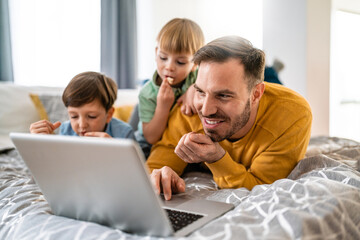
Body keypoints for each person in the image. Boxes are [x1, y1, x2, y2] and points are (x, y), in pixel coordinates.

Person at [146, 36, 312, 200]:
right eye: (201, 91)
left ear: (255, 94)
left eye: (223, 95)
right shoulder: (190, 108)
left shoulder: (293, 116)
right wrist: (162, 172)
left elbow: (260, 189)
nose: (205, 110)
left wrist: (217, 158)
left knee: (270, 73)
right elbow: (164, 152)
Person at [136, 18, 205, 158]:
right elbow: (151, 137)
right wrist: (163, 106)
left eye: (180, 62)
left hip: (180, 140)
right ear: (156, 53)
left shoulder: (198, 76)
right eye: (163, 58)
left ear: (195, 64)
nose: (169, 67)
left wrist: (193, 88)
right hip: (149, 143)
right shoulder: (147, 93)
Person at [30, 71, 135, 139]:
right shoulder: (66, 130)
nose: (82, 124)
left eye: (91, 116)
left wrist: (114, 150)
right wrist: (40, 143)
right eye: (74, 116)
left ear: (109, 115)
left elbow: (134, 171)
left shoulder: (124, 134)